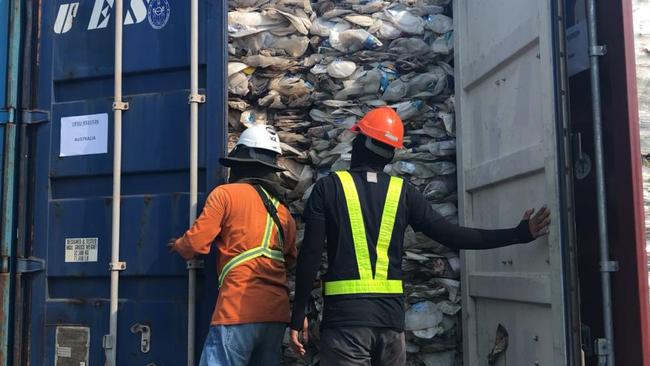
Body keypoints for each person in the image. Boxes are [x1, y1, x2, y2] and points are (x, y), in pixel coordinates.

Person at [289, 107, 551, 366]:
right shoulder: (403, 193)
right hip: (391, 326)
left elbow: (311, 254)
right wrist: (518, 234)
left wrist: (298, 312)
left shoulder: (328, 188)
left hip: (346, 324)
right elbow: (453, 236)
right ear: (390, 153)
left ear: (362, 143)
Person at [169, 124, 297, 366]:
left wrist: (179, 245)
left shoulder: (225, 194)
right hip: (275, 316)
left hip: (237, 309)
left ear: (239, 161)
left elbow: (195, 244)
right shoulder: (283, 213)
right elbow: (289, 260)